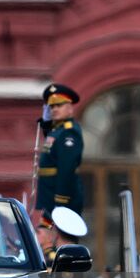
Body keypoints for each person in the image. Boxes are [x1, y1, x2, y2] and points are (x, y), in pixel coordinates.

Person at [35, 83, 84, 218]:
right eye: (52, 106)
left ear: (70, 108)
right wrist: (45, 124)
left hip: (61, 198)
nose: (54, 109)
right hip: (50, 196)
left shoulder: (69, 132)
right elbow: (53, 147)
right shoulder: (57, 130)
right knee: (47, 236)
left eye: (59, 105)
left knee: (62, 237)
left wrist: (61, 198)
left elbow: (66, 166)